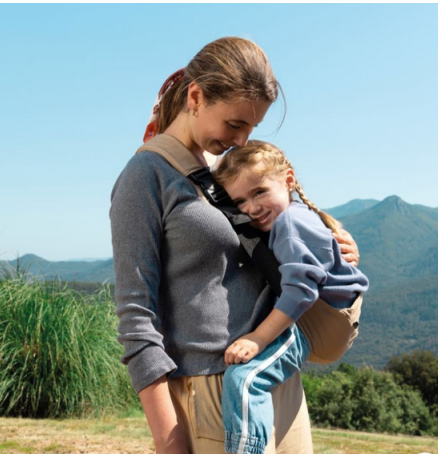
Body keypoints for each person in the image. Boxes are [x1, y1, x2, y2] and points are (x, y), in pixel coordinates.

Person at [110, 36, 361, 454]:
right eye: (234, 124)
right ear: (195, 97)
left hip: (274, 376)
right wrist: (170, 440)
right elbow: (137, 317)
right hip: (213, 391)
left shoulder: (224, 173)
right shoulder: (145, 175)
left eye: (252, 128)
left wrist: (335, 245)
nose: (243, 140)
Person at [212, 140, 369, 453]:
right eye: (240, 201)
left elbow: (301, 290)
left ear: (288, 180)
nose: (251, 208)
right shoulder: (295, 215)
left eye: (259, 192)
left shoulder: (290, 222)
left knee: (244, 380)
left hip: (317, 322)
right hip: (324, 319)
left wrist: (258, 338)